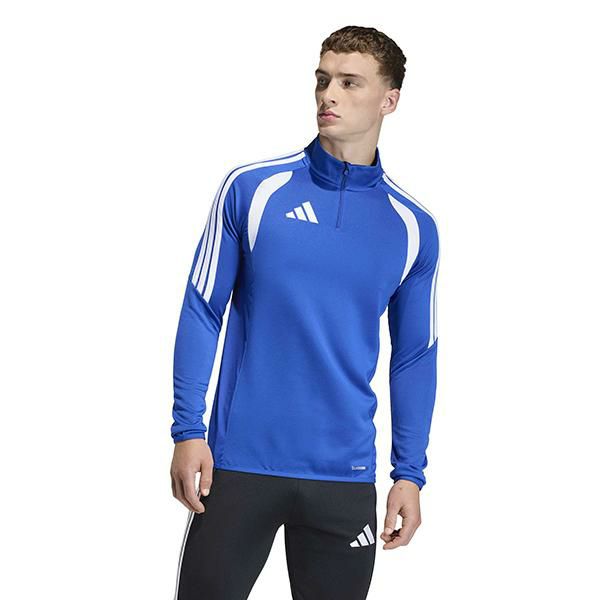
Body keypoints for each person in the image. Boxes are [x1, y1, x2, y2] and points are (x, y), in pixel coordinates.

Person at [169, 25, 440, 600]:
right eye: (322, 80)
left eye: (349, 82)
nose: (328, 95)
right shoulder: (253, 190)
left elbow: (414, 356)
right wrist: (188, 430)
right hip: (238, 464)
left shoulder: (412, 227)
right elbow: (201, 309)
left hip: (344, 476)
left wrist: (409, 473)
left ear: (389, 100)